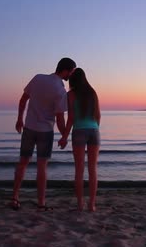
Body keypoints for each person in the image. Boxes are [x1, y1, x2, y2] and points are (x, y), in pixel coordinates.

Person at [11, 57, 76, 211]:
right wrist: (65, 136)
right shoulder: (60, 91)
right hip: (45, 131)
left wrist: (19, 119)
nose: (72, 75)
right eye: (72, 72)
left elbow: (23, 99)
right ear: (66, 70)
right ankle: (41, 203)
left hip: (29, 127)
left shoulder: (38, 78)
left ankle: (15, 197)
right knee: (42, 167)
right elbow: (60, 118)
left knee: (22, 163)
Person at [59, 68, 101, 212]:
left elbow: (70, 119)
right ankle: (92, 204)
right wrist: (95, 128)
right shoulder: (93, 93)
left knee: (79, 170)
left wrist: (64, 137)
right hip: (94, 131)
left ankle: (80, 204)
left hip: (79, 132)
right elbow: (98, 115)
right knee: (93, 169)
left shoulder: (70, 94)